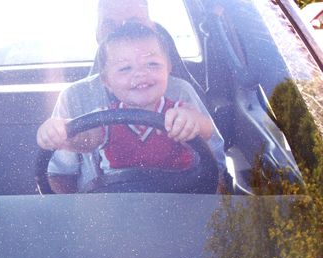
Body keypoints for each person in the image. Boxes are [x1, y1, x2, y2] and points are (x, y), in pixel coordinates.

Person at [37, 0, 228, 193]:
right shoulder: (76, 98)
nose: (139, 74)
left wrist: (193, 122)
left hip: (177, 204)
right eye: (110, 24)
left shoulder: (181, 94)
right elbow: (78, 149)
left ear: (152, 28)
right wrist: (61, 133)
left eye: (134, 22)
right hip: (109, 210)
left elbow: (214, 161)